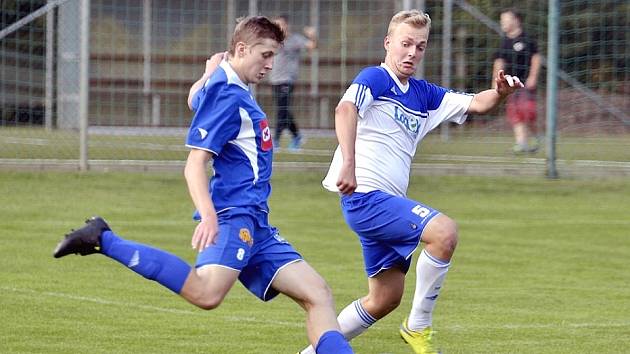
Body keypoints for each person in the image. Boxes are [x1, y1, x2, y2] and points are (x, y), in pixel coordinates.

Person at [53, 16, 352, 354]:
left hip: (257, 223)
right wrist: (208, 215)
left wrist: (208, 74)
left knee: (318, 294)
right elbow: (195, 163)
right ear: (241, 49)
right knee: (207, 293)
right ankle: (103, 239)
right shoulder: (228, 97)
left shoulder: (227, 85)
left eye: (273, 56)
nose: (270, 64)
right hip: (233, 217)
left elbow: (195, 98)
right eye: (265, 55)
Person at [299, 10, 523, 354]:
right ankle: (418, 326)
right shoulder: (375, 78)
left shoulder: (424, 94)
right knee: (444, 232)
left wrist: (501, 93)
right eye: (405, 44)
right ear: (388, 43)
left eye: (420, 47)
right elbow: (345, 110)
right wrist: (349, 164)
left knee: (385, 298)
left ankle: (313, 352)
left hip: (385, 203)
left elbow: (477, 103)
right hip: (364, 197)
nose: (412, 53)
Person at [493, 7, 541, 154]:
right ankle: (521, 143)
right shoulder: (504, 43)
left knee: (528, 112)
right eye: (502, 21)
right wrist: (496, 82)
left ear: (516, 20)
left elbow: (536, 58)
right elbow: (499, 63)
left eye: (506, 20)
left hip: (526, 84)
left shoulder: (527, 40)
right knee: (515, 113)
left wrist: (533, 77)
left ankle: (536, 138)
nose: (503, 23)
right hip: (511, 86)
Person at [268, 14, 317, 151]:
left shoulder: (295, 39)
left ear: (286, 25)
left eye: (281, 24)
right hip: (274, 80)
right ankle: (297, 136)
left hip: (287, 80)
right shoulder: (273, 40)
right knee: (284, 111)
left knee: (281, 110)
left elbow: (312, 46)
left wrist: (312, 35)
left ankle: (276, 141)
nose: (278, 27)